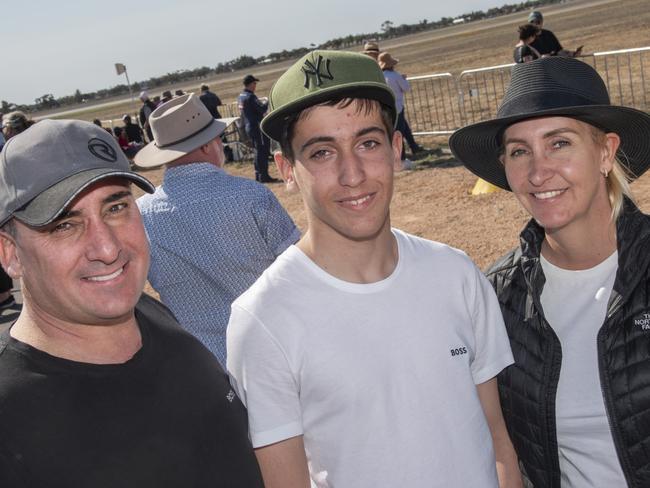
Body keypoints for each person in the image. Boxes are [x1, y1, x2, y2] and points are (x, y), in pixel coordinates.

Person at [227, 50, 521, 488]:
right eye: (322, 152)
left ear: (396, 149)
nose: (353, 174)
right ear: (287, 169)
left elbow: (497, 440)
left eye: (368, 143)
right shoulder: (263, 319)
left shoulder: (455, 275)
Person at [0, 119, 264, 487]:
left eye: (116, 208)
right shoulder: (11, 418)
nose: (108, 249)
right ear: (10, 253)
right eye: (64, 225)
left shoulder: (152, 317)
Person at [449, 56, 650, 487]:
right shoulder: (497, 298)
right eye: (520, 151)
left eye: (559, 143)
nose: (539, 172)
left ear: (605, 152)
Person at [135, 94, 300, 367]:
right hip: (273, 350)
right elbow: (297, 270)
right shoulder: (252, 197)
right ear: (207, 145)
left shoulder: (141, 216)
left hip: (201, 365)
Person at [378, 51, 423, 169]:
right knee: (399, 134)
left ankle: (400, 155)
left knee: (394, 132)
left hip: (386, 110)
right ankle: (401, 160)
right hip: (397, 108)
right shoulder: (395, 75)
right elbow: (406, 88)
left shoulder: (380, 77)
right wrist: (403, 79)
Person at [238, 74, 278, 183]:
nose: (255, 86)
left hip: (248, 126)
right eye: (254, 83)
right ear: (250, 84)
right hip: (256, 126)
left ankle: (258, 175)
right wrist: (268, 101)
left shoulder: (241, 96)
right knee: (262, 151)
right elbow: (261, 109)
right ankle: (263, 176)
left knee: (257, 151)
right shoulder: (250, 96)